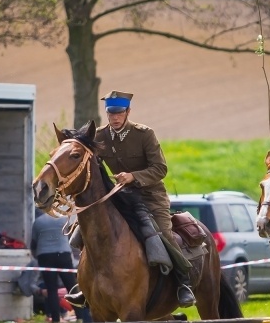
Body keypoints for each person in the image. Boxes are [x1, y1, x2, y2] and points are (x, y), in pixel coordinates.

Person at [64, 90, 196, 308]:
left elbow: (160, 168)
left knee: (163, 234)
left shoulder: (144, 134)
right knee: (85, 233)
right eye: (111, 113)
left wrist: (133, 176)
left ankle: (183, 282)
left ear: (128, 112)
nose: (115, 117)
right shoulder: (99, 136)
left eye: (119, 113)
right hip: (118, 196)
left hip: (150, 196)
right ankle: (86, 286)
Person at [31, 210, 92, 323]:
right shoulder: (63, 218)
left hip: (44, 255)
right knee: (71, 286)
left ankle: (55, 319)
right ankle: (80, 317)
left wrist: (37, 256)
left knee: (51, 289)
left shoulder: (38, 222)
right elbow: (73, 236)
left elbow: (33, 243)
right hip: (63, 253)